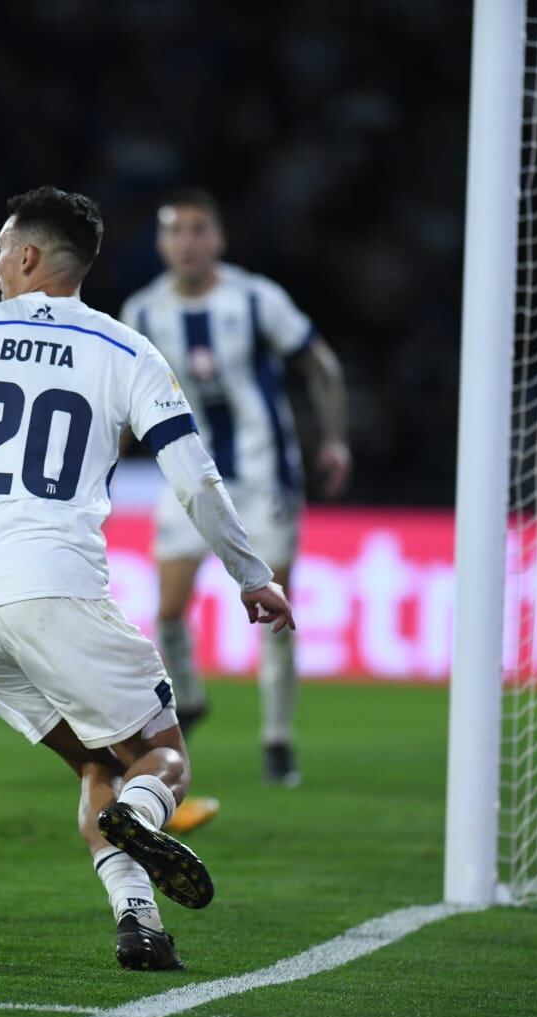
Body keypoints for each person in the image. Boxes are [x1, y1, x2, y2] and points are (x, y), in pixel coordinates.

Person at [0, 187, 293, 971]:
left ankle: (140, 921)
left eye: (1, 249)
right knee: (163, 760)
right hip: (51, 589)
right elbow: (194, 480)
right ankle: (142, 814)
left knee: (99, 760)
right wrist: (250, 573)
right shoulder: (127, 351)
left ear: (28, 256)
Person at [121, 188, 350, 801]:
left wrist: (334, 439)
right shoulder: (142, 312)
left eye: (199, 230)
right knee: (168, 610)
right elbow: (118, 401)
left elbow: (319, 363)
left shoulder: (254, 298)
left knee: (275, 609)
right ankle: (190, 696)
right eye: (175, 231)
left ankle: (276, 737)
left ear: (217, 240)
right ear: (162, 243)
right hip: (188, 479)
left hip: (264, 477)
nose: (187, 242)